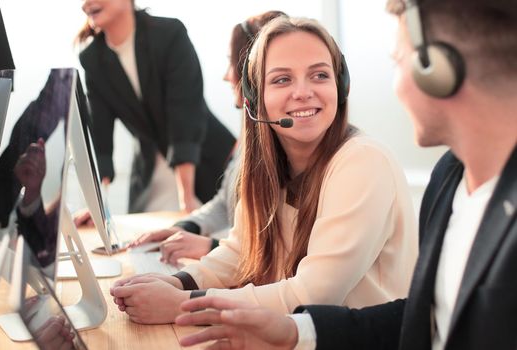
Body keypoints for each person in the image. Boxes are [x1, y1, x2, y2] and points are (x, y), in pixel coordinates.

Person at [175, 0, 517, 349]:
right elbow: (420, 317)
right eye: (281, 79)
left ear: (438, 71)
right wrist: (296, 332)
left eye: (398, 61)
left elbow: (321, 291)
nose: (396, 84)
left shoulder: (367, 161)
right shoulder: (449, 179)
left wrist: (188, 304)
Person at [110, 16, 418, 325]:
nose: (303, 92)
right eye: (282, 79)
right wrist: (178, 281)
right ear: (255, 99)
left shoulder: (363, 162)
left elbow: (313, 295)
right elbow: (241, 249)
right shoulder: (268, 166)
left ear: (341, 86)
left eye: (319, 75)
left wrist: (181, 305)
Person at [128, 10, 287, 264]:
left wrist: (211, 246)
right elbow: (224, 205)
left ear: (251, 73)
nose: (227, 75)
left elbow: (280, 248)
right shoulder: (250, 137)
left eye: (231, 62)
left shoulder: (290, 148)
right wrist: (183, 227)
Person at [77, 0, 236, 213]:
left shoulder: (170, 34)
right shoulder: (92, 59)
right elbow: (100, 136)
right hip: (150, 174)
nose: (87, 3)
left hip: (204, 164)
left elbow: (185, 116)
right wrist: (97, 206)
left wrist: (186, 201)